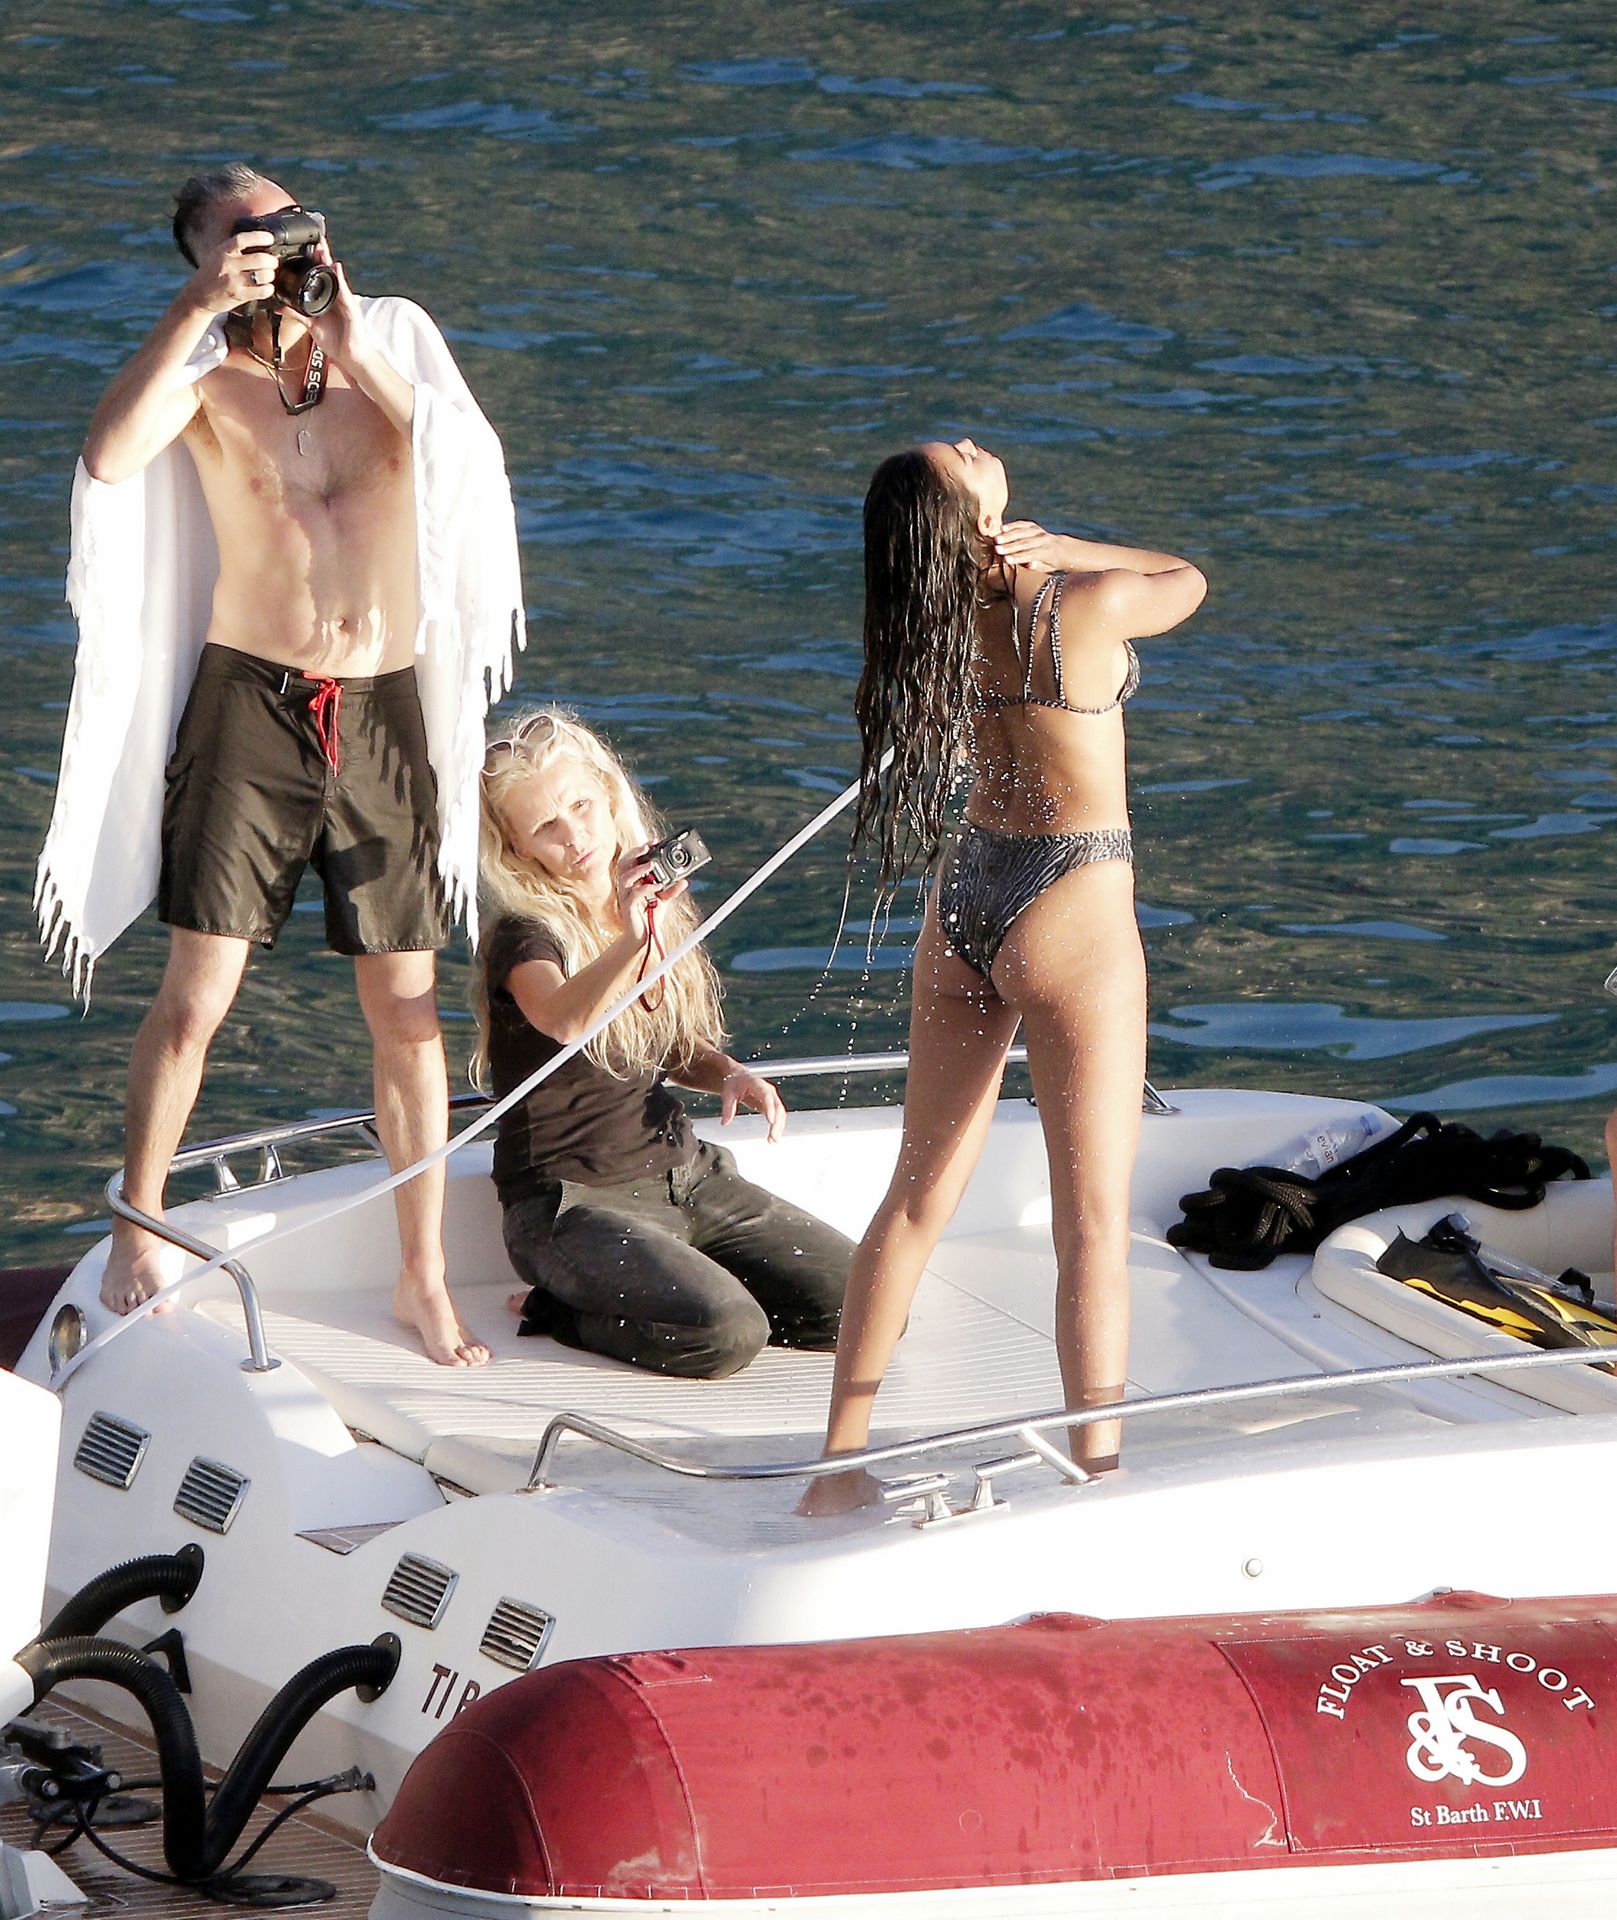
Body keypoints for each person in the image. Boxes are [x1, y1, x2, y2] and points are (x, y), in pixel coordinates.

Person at [33, 164, 524, 1365]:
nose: (281, 247)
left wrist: (354, 349)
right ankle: (140, 1219)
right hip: (251, 705)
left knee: (406, 1009)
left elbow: (466, 468)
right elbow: (108, 459)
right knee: (198, 994)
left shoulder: (390, 340)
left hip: (384, 709)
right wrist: (196, 311)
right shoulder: (201, 376)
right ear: (206, 257)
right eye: (245, 238)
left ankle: (421, 1276)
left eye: (291, 223)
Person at [801, 438, 1206, 1512]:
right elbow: (1188, 580)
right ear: (975, 520)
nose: (980, 447)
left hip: (967, 895)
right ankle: (1097, 1478)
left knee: (915, 1197)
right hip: (1071, 896)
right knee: (1092, 1225)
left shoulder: (930, 628)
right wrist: (1066, 548)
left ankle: (837, 1468)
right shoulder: (1082, 603)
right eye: (963, 456)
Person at [476, 708, 851, 1378]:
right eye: (545, 827)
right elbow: (565, 1018)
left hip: (688, 1176)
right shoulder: (525, 937)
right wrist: (632, 937)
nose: (574, 836)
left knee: (862, 1304)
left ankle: (686, 1286)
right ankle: (561, 1309)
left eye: (581, 806)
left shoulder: (644, 906)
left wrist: (729, 1073)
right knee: (728, 1335)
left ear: (608, 796)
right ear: (517, 848)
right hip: (571, 1203)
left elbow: (669, 1046)